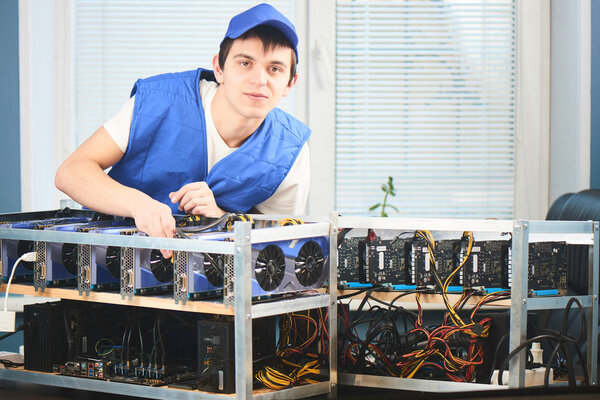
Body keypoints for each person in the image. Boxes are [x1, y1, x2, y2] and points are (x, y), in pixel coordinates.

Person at [55, 3, 310, 254]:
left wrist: (222, 219)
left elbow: (278, 248)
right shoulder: (157, 102)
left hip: (214, 288)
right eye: (245, 63)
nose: (259, 79)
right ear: (219, 68)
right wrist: (139, 205)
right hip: (110, 270)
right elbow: (71, 172)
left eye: (274, 69)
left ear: (290, 83)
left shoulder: (290, 151)